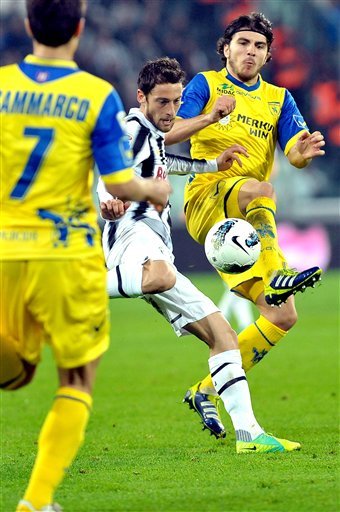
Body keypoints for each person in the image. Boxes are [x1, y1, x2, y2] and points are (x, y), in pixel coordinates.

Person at [0, 1, 170, 511]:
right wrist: (153, 191)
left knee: (18, 369)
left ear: (28, 24)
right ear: (80, 28)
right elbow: (118, 181)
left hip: (6, 249)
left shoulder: (2, 85)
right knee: (75, 378)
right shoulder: (96, 96)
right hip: (66, 254)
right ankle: (35, 502)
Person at [98, 56, 301, 456]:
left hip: (156, 242)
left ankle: (249, 435)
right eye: (163, 102)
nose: (172, 111)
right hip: (133, 232)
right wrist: (108, 200)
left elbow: (164, 163)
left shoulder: (152, 135)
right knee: (159, 276)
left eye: (176, 101)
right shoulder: (132, 126)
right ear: (142, 98)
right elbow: (111, 169)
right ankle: (72, 285)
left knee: (222, 334)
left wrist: (212, 163)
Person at [165, 12, 325, 438]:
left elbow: (293, 152)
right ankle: (277, 272)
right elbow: (170, 133)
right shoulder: (205, 85)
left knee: (283, 315)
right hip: (206, 198)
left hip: (241, 227)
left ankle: (204, 391)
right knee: (261, 189)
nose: (249, 51)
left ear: (268, 54)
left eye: (258, 46)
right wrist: (209, 118)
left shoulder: (279, 98)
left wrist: (303, 152)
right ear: (226, 49)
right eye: (242, 44)